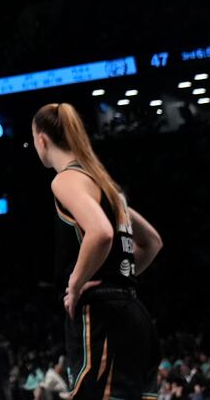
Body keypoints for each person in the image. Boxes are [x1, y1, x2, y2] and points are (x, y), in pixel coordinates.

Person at [31, 103, 164, 400]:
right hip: (135, 314)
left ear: (42, 140)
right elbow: (152, 242)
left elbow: (101, 232)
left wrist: (75, 285)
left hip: (103, 318)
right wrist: (116, 277)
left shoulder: (65, 179)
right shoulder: (106, 185)